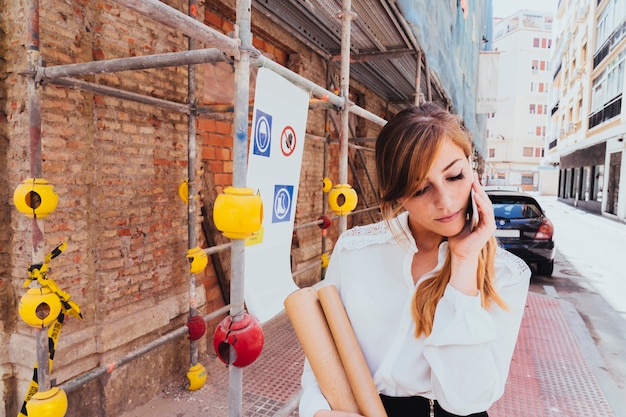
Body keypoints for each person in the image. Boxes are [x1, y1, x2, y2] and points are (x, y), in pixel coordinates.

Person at [299, 103, 531, 417]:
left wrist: (463, 264)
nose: (446, 202)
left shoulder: (506, 274)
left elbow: (469, 399)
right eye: (421, 189)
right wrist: (318, 412)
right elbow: (321, 353)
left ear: (472, 168)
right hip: (359, 409)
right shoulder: (355, 250)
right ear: (397, 196)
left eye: (454, 176)